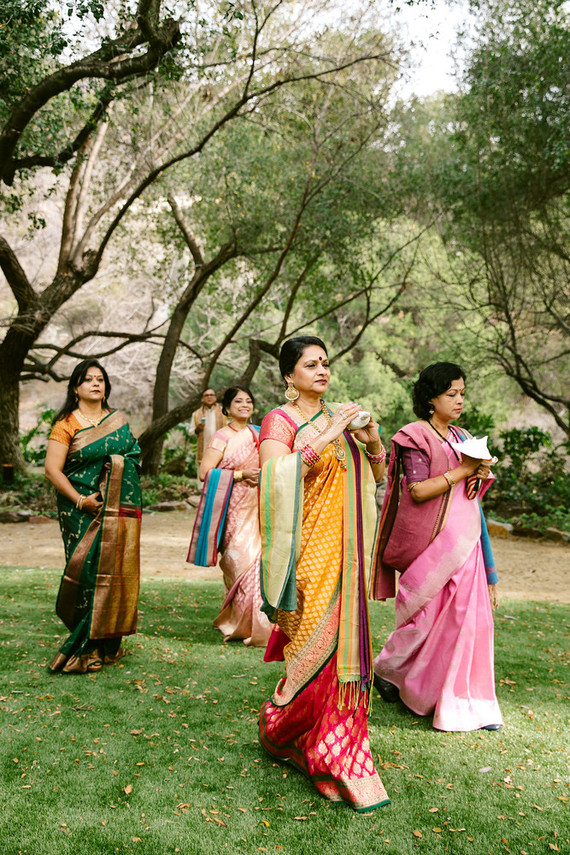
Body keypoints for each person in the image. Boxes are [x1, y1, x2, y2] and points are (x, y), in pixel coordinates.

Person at [257, 336, 390, 811]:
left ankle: (335, 750)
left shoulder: (343, 415)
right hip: (306, 552)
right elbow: (272, 478)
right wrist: (330, 434)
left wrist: (371, 438)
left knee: (346, 653)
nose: (321, 370)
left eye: (325, 363)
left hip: (346, 554)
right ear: (289, 376)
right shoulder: (280, 420)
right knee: (312, 644)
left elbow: (379, 477)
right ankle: (287, 730)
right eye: (310, 364)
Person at [370, 362, 502, 732]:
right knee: (427, 619)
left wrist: (478, 475)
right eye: (451, 394)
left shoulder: (464, 436)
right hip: (432, 545)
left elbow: (468, 495)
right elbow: (417, 490)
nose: (459, 400)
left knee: (468, 620)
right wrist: (464, 470)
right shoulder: (415, 436)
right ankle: (390, 671)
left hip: (466, 541)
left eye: (462, 393)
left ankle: (462, 700)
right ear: (431, 399)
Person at [45, 360, 142, 674]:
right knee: (85, 572)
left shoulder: (118, 422)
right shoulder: (66, 424)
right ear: (76, 388)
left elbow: (132, 458)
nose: (95, 384)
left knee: (111, 570)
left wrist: (112, 486)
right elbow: (52, 471)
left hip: (113, 507)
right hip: (78, 508)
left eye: (100, 379)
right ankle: (85, 646)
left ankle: (100, 644)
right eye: (87, 380)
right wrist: (81, 500)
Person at [187, 386, 271, 647]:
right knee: (240, 565)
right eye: (238, 401)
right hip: (231, 509)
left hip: (258, 509)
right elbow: (205, 472)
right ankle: (240, 622)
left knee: (258, 567)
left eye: (249, 401)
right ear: (227, 408)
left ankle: (257, 625)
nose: (244, 405)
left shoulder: (260, 435)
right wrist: (241, 475)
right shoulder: (220, 437)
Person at [192, 388, 225, 467]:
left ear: (215, 398)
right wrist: (197, 429)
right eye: (206, 395)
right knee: (203, 476)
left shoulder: (224, 412)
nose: (209, 397)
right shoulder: (196, 414)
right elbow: (191, 432)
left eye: (211, 395)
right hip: (204, 450)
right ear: (202, 399)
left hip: (220, 450)